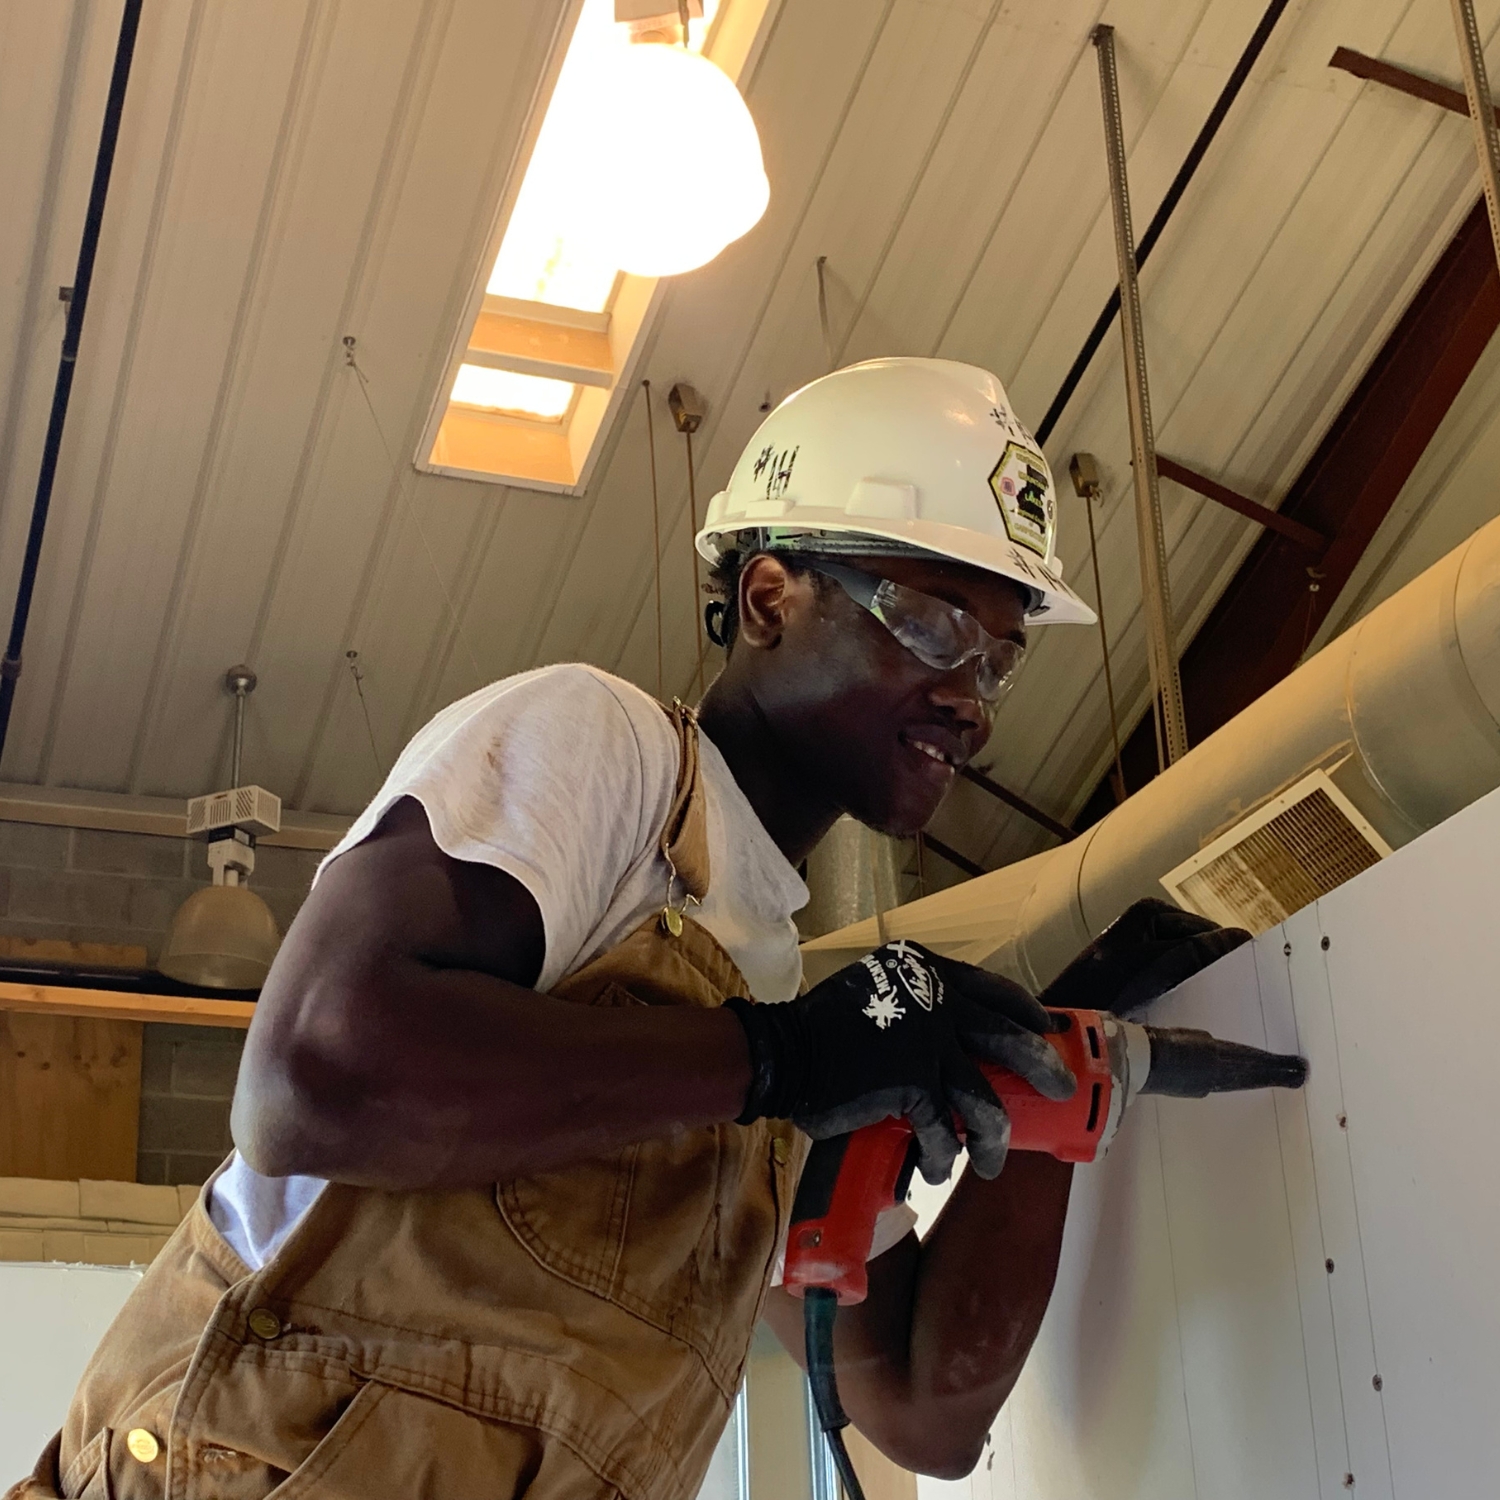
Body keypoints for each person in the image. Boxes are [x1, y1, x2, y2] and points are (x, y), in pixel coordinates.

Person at [9, 358, 1244, 1500]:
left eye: (1000, 661)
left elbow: (919, 1407)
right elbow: (310, 1077)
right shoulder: (605, 753)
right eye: (931, 626)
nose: (970, 701)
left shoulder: (767, 984)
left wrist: (1053, 1086)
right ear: (769, 596)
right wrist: (779, 1061)